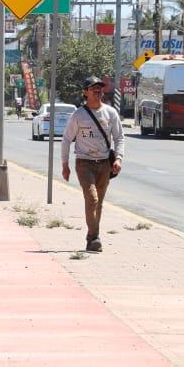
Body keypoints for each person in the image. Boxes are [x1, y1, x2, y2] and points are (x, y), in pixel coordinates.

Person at [61, 75, 125, 253]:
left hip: (104, 164)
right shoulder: (78, 115)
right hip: (84, 163)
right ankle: (94, 237)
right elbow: (66, 139)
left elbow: (119, 137)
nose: (98, 91)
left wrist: (118, 158)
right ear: (85, 92)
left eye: (100, 88)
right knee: (92, 199)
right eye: (93, 88)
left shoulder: (110, 113)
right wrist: (65, 164)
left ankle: (93, 237)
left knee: (99, 203)